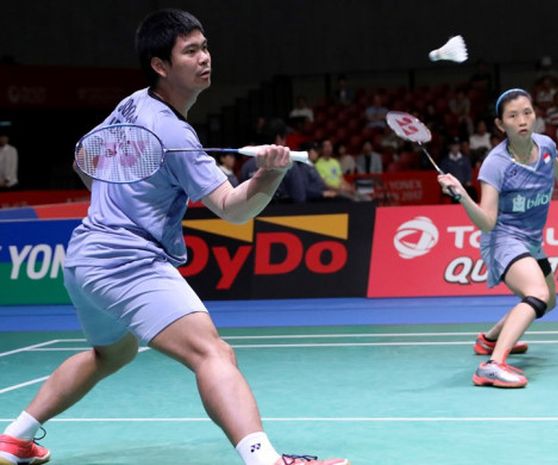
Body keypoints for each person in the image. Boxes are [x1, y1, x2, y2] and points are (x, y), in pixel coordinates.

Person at [0, 10, 347, 465]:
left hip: (85, 258)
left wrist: (117, 194)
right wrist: (271, 174)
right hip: (129, 262)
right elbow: (234, 209)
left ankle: (14, 439)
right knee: (212, 352)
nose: (205, 59)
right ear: (160, 66)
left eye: (205, 47)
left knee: (111, 354)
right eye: (191, 51)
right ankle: (265, 460)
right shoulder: (174, 132)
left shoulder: (131, 104)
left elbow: (82, 158)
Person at [437, 88, 558, 388]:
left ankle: (489, 340)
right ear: (501, 125)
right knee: (538, 294)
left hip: (530, 240)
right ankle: (492, 366)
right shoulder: (495, 164)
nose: (522, 120)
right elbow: (487, 222)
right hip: (502, 239)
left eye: (527, 112)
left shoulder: (545, 146)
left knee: (549, 301)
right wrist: (463, 195)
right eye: (513, 116)